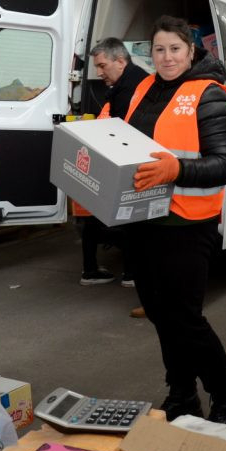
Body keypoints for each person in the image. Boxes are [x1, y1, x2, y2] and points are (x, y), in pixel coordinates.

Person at [124, 15, 226, 427]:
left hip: (187, 223)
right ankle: (182, 393)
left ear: (191, 51)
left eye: (175, 49)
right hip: (144, 219)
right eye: (159, 49)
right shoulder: (144, 88)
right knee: (160, 313)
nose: (167, 57)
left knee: (185, 317)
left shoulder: (209, 93)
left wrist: (175, 170)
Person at [71, 38, 148, 288]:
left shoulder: (132, 87)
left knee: (129, 219)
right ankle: (124, 272)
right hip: (115, 159)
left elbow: (123, 131)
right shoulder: (126, 83)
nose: (99, 72)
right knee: (120, 218)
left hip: (127, 161)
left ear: (120, 61)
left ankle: (130, 273)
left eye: (102, 66)